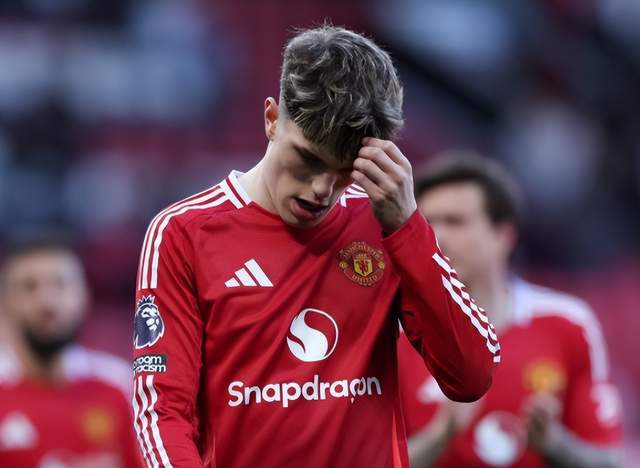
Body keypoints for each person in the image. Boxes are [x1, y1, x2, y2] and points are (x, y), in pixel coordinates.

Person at [131, 25, 500, 467]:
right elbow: (161, 412)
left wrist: (408, 227)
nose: (322, 189)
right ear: (271, 119)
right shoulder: (184, 233)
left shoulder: (386, 224)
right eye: (308, 158)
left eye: (345, 170)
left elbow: (472, 376)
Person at [398, 152, 623, 467]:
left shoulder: (567, 323)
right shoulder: (392, 333)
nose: (438, 236)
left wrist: (555, 445)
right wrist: (442, 434)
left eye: (455, 221)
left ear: (503, 235)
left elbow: (611, 461)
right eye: (427, 223)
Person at [0, 236, 141, 467]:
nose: (46, 302)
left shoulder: (119, 385)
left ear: (84, 295)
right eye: (29, 287)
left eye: (61, 284)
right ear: (7, 302)